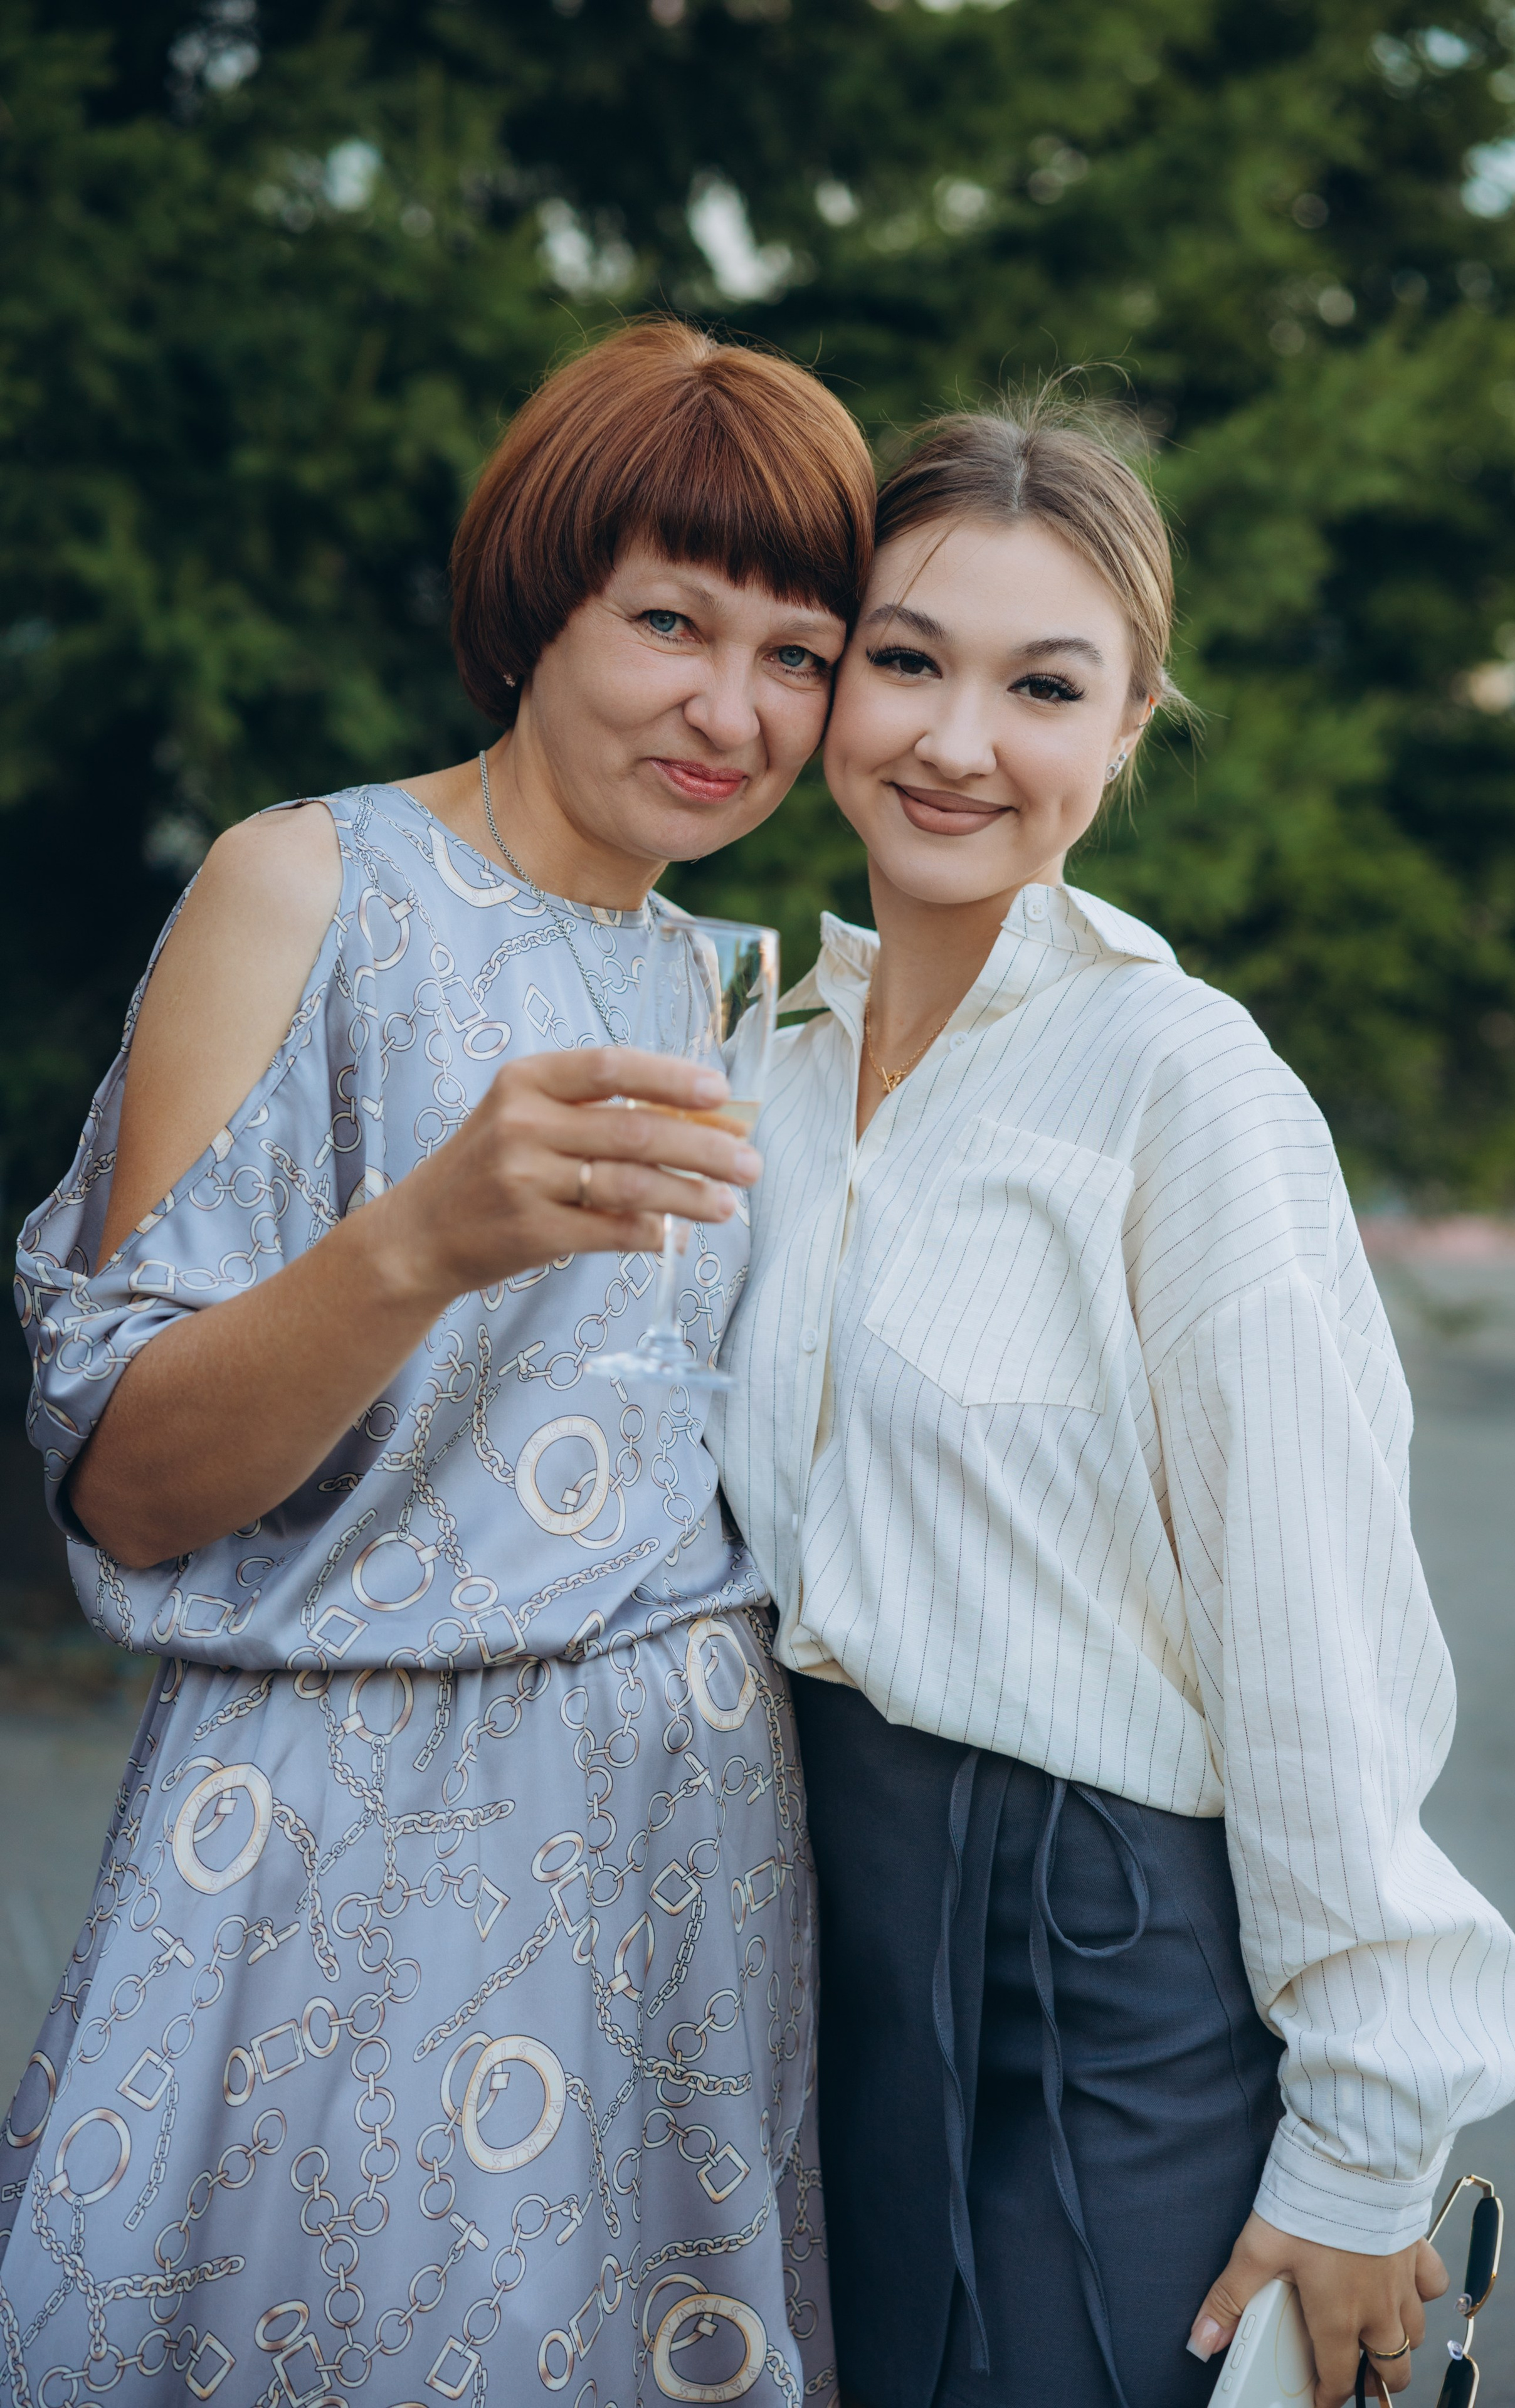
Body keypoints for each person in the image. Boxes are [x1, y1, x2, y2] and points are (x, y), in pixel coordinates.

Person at [1, 318, 874, 2405]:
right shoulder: (309, 884)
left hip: (684, 1860)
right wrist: (416, 1243)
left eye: (801, 654)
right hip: (350, 1841)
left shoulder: (718, 982)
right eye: (671, 619)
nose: (730, 710)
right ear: (534, 602)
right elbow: (122, 1476)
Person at [710, 396, 1515, 2408]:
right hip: (815, 1938)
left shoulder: (1190, 1090)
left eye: (1043, 685)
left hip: (1102, 1962)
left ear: (1130, 729)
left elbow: (1315, 1639)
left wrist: (1363, 2155)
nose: (956, 740)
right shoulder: (755, 1058)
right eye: (905, 659)